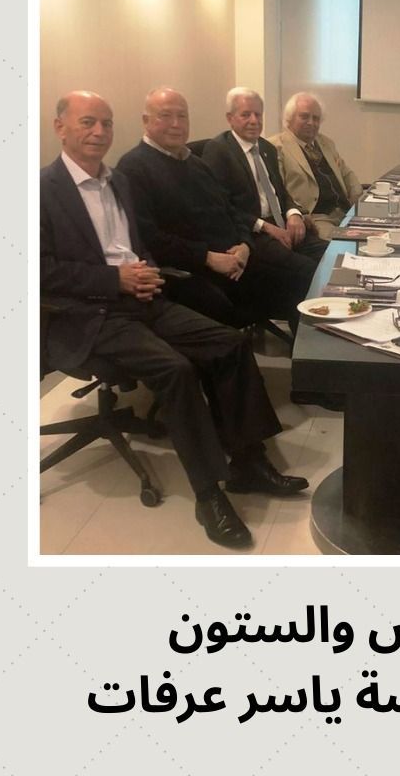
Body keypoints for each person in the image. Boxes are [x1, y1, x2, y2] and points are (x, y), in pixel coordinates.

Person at [41, 91, 308, 550]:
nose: (100, 132)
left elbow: (139, 243)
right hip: (88, 314)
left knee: (229, 343)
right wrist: (115, 279)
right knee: (176, 369)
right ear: (59, 127)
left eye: (106, 123)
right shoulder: (43, 190)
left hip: (144, 296)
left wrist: (144, 269)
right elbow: (40, 270)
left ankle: (249, 462)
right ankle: (209, 496)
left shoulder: (116, 181)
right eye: (87, 122)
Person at [116, 87, 316, 335]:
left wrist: (245, 245)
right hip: (196, 271)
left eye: (182, 116)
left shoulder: (195, 164)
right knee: (302, 277)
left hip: (237, 261)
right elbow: (149, 239)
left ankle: (308, 354)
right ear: (146, 121)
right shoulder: (133, 168)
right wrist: (208, 258)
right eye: (166, 116)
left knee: (309, 278)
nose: (176, 124)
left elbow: (231, 210)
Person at [201, 87, 328, 260]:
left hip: (283, 226)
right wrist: (265, 226)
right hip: (253, 234)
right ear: (230, 118)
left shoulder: (267, 148)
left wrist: (293, 214)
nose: (254, 121)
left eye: (258, 115)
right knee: (310, 269)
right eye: (246, 115)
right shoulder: (218, 150)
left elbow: (281, 193)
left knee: (334, 254)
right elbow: (222, 206)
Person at [270, 91, 364, 240]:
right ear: (289, 118)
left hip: (346, 213)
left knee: (380, 237)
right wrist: (297, 214)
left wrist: (358, 201)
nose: (311, 123)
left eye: (316, 118)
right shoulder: (275, 147)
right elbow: (278, 192)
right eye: (304, 116)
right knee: (341, 245)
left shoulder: (326, 143)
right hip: (315, 218)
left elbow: (347, 174)